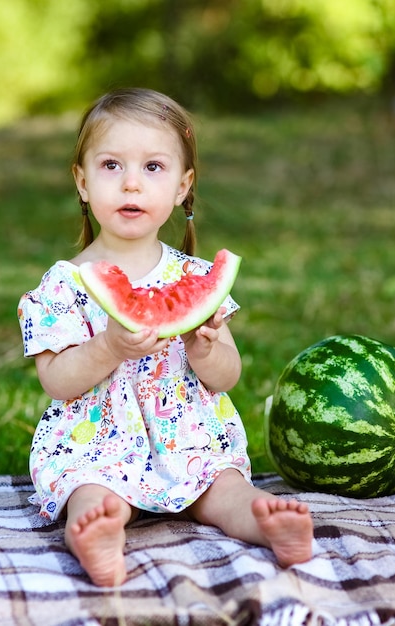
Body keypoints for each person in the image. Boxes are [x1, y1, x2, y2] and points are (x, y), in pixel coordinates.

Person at [18, 87, 313, 587]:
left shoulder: (195, 277)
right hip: (94, 446)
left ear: (183, 186)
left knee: (224, 488)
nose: (131, 184)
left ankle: (264, 520)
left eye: (153, 167)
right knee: (89, 493)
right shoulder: (63, 284)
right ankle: (97, 532)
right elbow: (57, 381)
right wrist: (106, 347)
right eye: (111, 165)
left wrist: (206, 348)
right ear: (82, 181)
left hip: (189, 438)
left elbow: (227, 377)